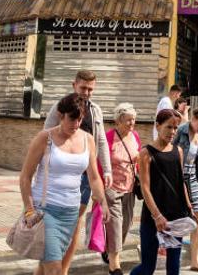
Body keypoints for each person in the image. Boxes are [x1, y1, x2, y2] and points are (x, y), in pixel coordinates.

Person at [20, 94, 108, 275]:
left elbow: (93, 177)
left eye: (80, 119)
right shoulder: (44, 138)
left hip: (70, 213)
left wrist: (103, 202)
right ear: (61, 116)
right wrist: (29, 209)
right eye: (72, 118)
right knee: (55, 269)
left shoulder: (87, 139)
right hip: (45, 211)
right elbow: (25, 177)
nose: (76, 124)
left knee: (45, 267)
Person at [43, 70, 112, 275]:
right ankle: (51, 266)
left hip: (84, 174)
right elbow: (45, 136)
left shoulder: (96, 110)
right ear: (74, 85)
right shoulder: (60, 107)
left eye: (91, 89)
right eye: (83, 88)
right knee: (58, 224)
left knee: (75, 221)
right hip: (59, 173)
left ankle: (63, 269)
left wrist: (106, 169)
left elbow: (101, 141)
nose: (87, 92)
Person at [131, 109, 193, 275]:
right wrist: (157, 215)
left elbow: (181, 181)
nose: (172, 132)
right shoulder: (146, 153)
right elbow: (145, 188)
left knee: (173, 266)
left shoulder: (178, 151)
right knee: (147, 267)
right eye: (168, 127)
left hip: (175, 217)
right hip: (153, 218)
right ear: (157, 126)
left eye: (175, 128)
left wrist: (188, 204)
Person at [172, 101, 198, 273]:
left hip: (192, 178)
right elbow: (171, 152)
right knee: (178, 218)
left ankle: (195, 261)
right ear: (193, 119)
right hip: (176, 177)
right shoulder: (181, 131)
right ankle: (169, 257)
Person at [103, 103, 141, 275]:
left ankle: (108, 249)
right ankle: (114, 265)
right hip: (111, 187)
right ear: (118, 121)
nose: (132, 123)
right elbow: (100, 163)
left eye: (134, 119)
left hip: (130, 188)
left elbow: (138, 161)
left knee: (126, 224)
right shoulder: (108, 137)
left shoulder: (135, 137)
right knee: (116, 224)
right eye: (128, 120)